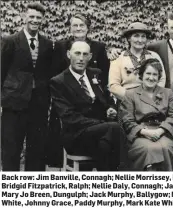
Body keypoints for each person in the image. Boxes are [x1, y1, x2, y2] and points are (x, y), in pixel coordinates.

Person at [48, 12, 111, 169]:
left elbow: (104, 83)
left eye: (81, 25)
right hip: (70, 104)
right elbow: (55, 73)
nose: (78, 28)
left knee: (109, 140)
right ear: (69, 54)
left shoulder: (98, 48)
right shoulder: (61, 46)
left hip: (94, 111)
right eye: (74, 25)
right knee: (113, 133)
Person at [50, 41, 125, 171]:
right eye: (77, 53)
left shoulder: (95, 74)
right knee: (115, 129)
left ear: (90, 57)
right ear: (69, 54)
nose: (81, 58)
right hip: (76, 135)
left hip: (102, 133)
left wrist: (110, 108)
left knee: (105, 145)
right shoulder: (58, 82)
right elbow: (69, 117)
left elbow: (108, 98)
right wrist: (100, 123)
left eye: (85, 54)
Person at [1, 2, 54, 171]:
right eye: (31, 16)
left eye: (38, 17)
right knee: (11, 149)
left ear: (43, 20)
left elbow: (47, 73)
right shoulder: (10, 41)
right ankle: (10, 188)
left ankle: (33, 189)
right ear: (24, 17)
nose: (35, 20)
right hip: (13, 104)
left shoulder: (47, 43)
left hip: (38, 105)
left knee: (37, 149)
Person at [119, 58, 173, 171]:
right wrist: (145, 132)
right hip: (140, 133)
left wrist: (160, 130)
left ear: (158, 77)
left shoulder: (168, 93)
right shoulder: (130, 94)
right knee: (150, 148)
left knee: (166, 147)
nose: (151, 77)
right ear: (141, 75)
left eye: (155, 74)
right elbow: (127, 120)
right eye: (148, 73)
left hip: (163, 132)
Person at [109, 22, 166, 102]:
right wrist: (135, 99)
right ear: (129, 38)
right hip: (127, 102)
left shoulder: (154, 56)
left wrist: (151, 97)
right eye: (136, 36)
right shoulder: (118, 58)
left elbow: (161, 79)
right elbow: (114, 86)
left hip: (151, 101)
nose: (140, 40)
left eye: (143, 37)